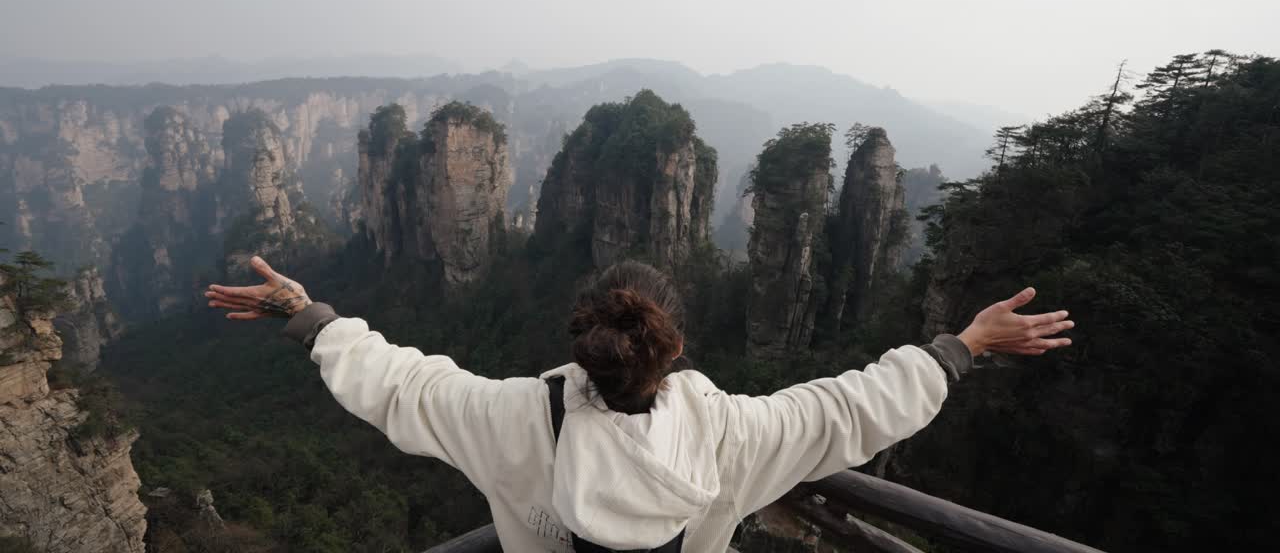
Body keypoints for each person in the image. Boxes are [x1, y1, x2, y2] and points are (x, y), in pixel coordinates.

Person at [206, 255, 1073, 552]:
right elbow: (853, 408)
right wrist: (962, 348)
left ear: (580, 335)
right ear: (677, 344)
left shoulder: (509, 419)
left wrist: (306, 315)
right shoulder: (734, 435)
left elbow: (395, 380)